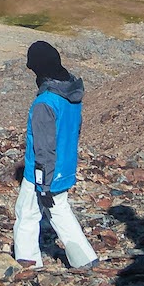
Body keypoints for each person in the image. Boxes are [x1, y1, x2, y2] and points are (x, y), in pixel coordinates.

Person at [17, 40, 98, 270]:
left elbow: (43, 148)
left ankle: (28, 261)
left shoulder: (45, 103)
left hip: (41, 174)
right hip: (65, 167)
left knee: (27, 213)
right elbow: (73, 133)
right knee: (60, 210)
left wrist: (42, 185)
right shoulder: (71, 95)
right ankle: (84, 258)